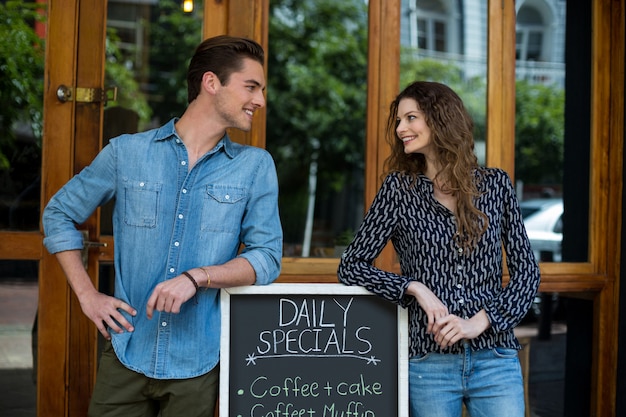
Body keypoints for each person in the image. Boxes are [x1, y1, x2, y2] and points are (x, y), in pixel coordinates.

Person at [42, 35, 283, 417]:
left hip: (200, 362)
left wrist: (196, 277)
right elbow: (59, 214)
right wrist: (88, 296)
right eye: (251, 87)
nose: (260, 100)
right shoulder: (126, 152)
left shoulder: (255, 167)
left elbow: (267, 258)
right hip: (126, 351)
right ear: (211, 83)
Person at [337, 81, 540, 417]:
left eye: (411, 117)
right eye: (399, 120)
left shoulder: (496, 185)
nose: (401, 129)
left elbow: (527, 274)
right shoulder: (399, 190)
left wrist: (481, 321)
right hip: (429, 364)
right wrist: (413, 288)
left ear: (440, 119)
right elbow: (352, 265)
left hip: (495, 360)